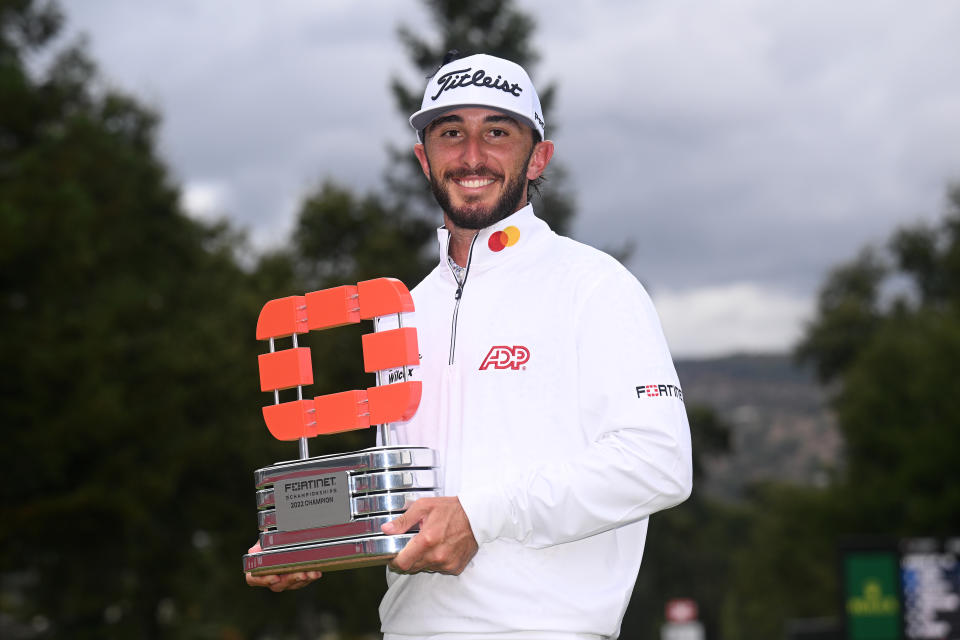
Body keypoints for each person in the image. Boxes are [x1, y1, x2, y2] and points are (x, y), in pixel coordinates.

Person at [249, 52, 693, 640]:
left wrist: (481, 516)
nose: (472, 155)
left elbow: (659, 463)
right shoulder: (401, 311)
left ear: (539, 156)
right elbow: (408, 499)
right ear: (422, 157)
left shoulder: (595, 286)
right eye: (451, 132)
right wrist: (314, 536)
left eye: (498, 132)